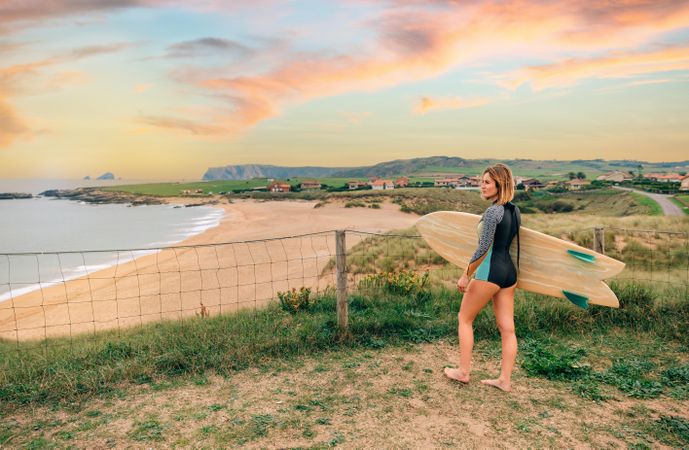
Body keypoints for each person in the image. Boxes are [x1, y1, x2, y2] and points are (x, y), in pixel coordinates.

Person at [444, 163, 521, 392]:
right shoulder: (514, 211)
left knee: (464, 319)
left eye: (487, 182)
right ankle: (504, 380)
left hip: (489, 272)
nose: (482, 186)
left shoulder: (492, 212)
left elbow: (483, 248)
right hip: (509, 273)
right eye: (482, 181)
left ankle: (463, 371)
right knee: (507, 328)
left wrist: (465, 275)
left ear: (500, 184)